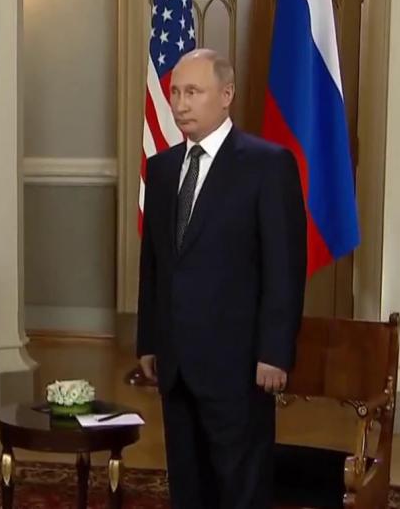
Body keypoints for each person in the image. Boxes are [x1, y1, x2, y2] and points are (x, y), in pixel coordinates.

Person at [136, 48, 307, 508]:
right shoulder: (163, 168)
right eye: (175, 93)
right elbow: (154, 264)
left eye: (193, 92)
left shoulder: (267, 165)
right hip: (176, 365)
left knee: (239, 488)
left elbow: (284, 267)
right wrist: (149, 339)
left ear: (226, 94)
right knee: (188, 488)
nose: (180, 104)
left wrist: (275, 352)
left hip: (239, 366)